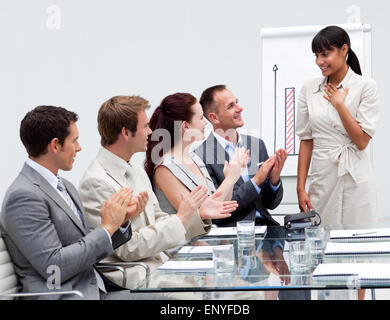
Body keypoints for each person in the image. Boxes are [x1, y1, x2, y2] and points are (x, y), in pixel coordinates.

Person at [78, 95, 230, 290]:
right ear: (125, 132)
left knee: (226, 286)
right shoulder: (96, 182)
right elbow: (128, 248)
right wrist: (182, 218)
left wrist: (194, 215)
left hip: (160, 266)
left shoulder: (135, 169)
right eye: (145, 127)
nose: (150, 132)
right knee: (212, 294)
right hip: (137, 276)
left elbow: (158, 219)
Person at [0, 105, 151, 300]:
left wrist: (119, 223)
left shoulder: (66, 186)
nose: (79, 147)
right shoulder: (23, 196)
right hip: (70, 295)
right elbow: (54, 267)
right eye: (75, 140)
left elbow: (85, 242)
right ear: (55, 145)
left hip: (94, 290)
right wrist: (106, 227)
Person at [296, 25, 380, 227]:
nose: (320, 62)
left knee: (360, 243)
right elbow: (306, 140)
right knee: (322, 242)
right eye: (316, 55)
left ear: (344, 50)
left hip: (356, 178)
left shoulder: (366, 86)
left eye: (325, 54)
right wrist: (300, 188)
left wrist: (340, 105)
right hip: (322, 177)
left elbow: (361, 141)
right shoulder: (309, 88)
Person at [195, 85, 287, 227]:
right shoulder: (201, 156)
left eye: (237, 102)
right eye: (231, 106)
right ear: (214, 117)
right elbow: (218, 214)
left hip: (267, 228)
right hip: (233, 234)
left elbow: (271, 204)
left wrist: (274, 180)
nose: (240, 108)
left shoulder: (256, 144)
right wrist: (256, 181)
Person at [145, 92, 246, 217]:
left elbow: (222, 206)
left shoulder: (194, 158)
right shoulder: (164, 169)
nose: (206, 123)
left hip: (206, 235)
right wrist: (230, 179)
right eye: (201, 118)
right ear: (185, 126)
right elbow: (194, 216)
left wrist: (230, 178)